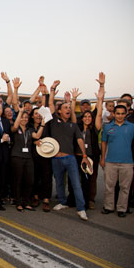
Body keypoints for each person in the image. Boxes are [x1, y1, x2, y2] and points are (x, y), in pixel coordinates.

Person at [48, 83, 91, 220]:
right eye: (65, 108)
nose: (68, 109)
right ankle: (62, 202)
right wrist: (52, 89)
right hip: (56, 159)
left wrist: (84, 156)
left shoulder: (73, 125)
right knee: (59, 182)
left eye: (69, 108)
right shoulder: (54, 121)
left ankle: (81, 208)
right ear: (59, 111)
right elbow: (50, 103)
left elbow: (79, 140)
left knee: (75, 184)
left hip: (70, 159)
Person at [71, 77, 104, 210]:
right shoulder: (78, 126)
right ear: (82, 117)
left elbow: (100, 114)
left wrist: (100, 98)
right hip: (79, 155)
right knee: (78, 179)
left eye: (90, 116)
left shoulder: (95, 128)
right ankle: (76, 199)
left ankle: (90, 200)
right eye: (85, 116)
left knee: (91, 178)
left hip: (92, 156)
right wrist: (73, 100)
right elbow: (72, 114)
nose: (87, 118)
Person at [100, 104, 134, 217]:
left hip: (127, 162)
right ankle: (108, 206)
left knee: (125, 187)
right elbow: (104, 142)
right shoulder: (107, 127)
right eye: (118, 113)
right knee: (109, 186)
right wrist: (102, 158)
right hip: (110, 161)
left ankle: (122, 208)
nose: (120, 116)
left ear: (126, 114)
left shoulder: (132, 127)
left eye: (122, 114)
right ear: (114, 114)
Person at [10, 105, 45, 212]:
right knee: (18, 180)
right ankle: (18, 202)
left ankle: (27, 202)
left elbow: (37, 136)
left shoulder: (30, 130)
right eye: (22, 117)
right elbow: (14, 127)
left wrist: (42, 124)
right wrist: (20, 113)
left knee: (29, 180)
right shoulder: (15, 128)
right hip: (17, 157)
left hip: (28, 158)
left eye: (26, 117)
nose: (24, 119)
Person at [30, 106, 53, 212]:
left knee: (46, 177)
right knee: (35, 176)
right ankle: (35, 197)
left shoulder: (47, 125)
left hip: (46, 155)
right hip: (33, 156)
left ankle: (46, 199)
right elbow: (31, 138)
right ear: (32, 116)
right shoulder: (29, 126)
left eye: (39, 113)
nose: (38, 115)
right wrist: (34, 142)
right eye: (35, 113)